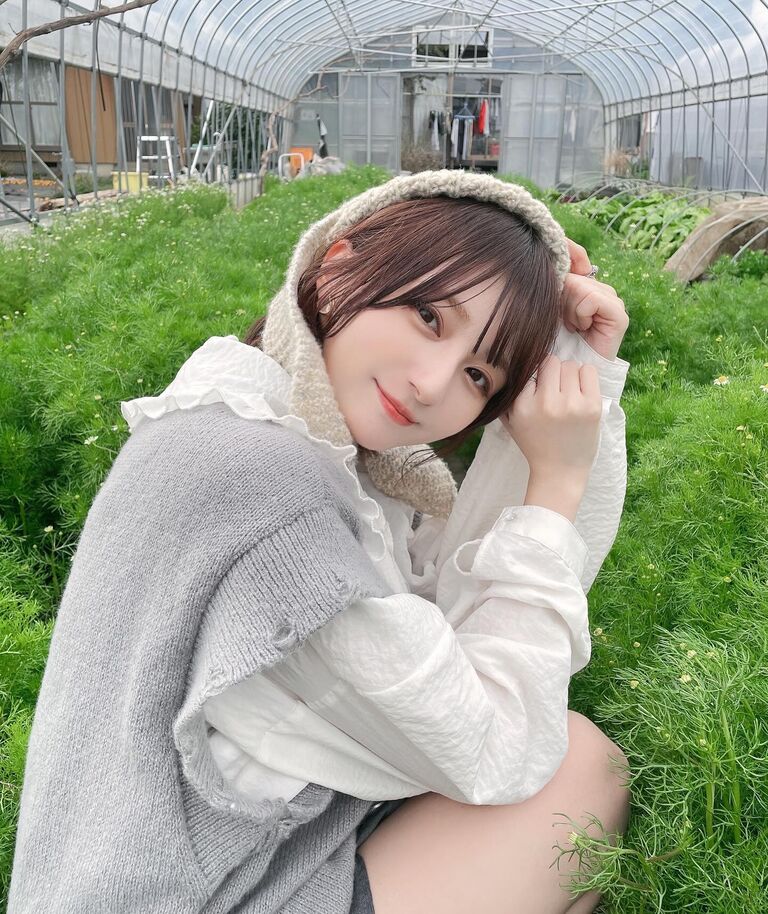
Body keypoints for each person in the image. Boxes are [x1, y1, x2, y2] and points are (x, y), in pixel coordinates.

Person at [8, 170, 631, 914]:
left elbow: (445, 616)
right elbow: (495, 742)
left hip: (175, 868)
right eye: (429, 316)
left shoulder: (257, 413)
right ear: (338, 261)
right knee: (585, 775)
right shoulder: (269, 486)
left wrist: (575, 363)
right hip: (188, 895)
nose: (434, 384)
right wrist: (555, 486)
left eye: (478, 373)